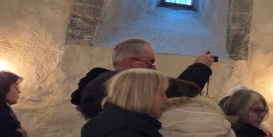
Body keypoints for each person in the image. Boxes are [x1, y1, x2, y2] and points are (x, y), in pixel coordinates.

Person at [70, 38, 216, 115]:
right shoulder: (126, 89)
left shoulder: (99, 87)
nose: (154, 67)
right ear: (130, 63)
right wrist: (201, 66)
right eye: (150, 62)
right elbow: (176, 93)